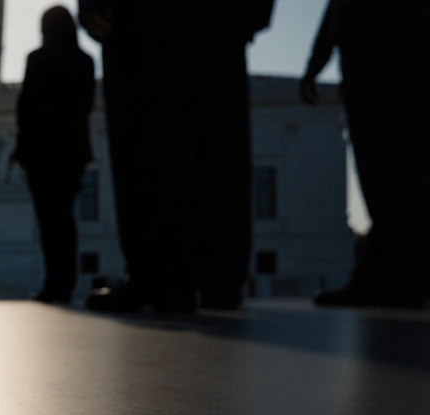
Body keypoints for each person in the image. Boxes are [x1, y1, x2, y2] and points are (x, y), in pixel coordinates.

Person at [79, 1, 274, 313]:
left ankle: (167, 277)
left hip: (170, 22)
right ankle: (208, 279)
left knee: (181, 146)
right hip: (170, 22)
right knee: (200, 145)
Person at [302, 0, 430, 308]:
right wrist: (314, 65)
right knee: (383, 181)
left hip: (394, 78)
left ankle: (395, 278)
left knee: (393, 179)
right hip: (373, 79)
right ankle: (395, 278)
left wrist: (314, 65)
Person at [11, 6, 95, 304]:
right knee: (65, 218)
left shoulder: (38, 58)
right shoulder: (85, 61)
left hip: (43, 151)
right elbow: (87, 104)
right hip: (72, 150)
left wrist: (21, 147)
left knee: (49, 220)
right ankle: (66, 282)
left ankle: (55, 284)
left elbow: (26, 106)